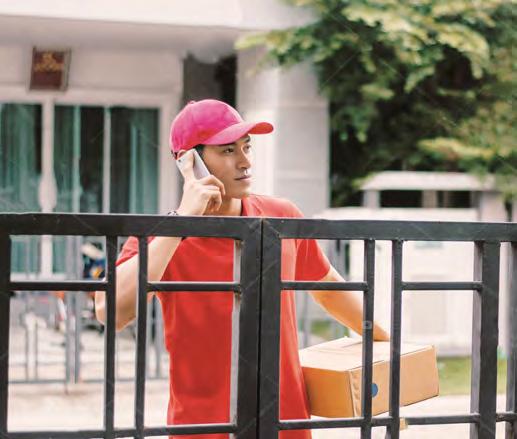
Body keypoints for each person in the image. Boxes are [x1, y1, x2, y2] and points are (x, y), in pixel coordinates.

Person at [94, 99, 389, 439]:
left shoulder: (281, 215)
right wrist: (181, 222)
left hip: (284, 424)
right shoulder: (162, 236)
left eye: (247, 147)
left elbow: (329, 290)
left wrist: (389, 346)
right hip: (202, 429)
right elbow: (111, 312)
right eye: (228, 150)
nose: (245, 161)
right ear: (189, 161)